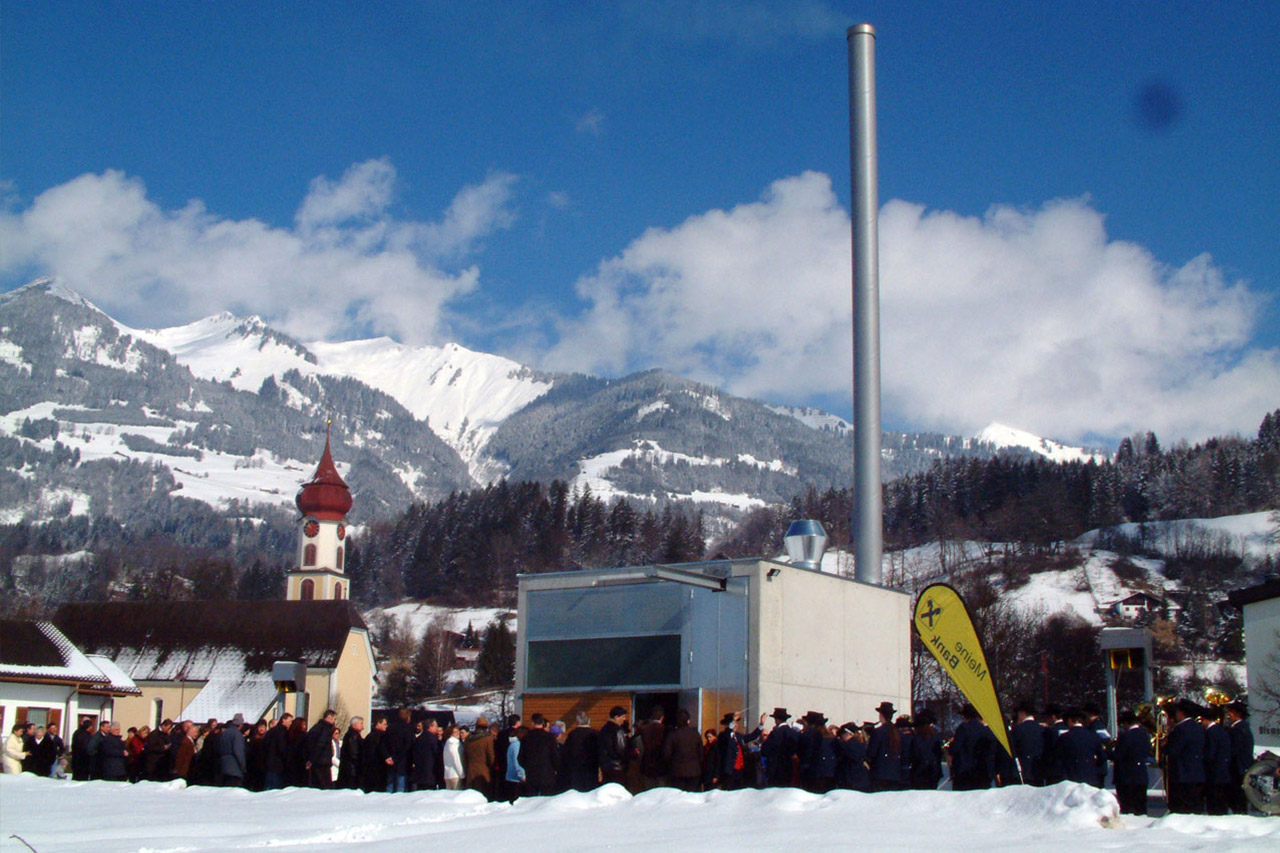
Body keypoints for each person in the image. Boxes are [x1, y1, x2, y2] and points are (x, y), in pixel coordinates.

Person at [1164, 698, 1207, 814]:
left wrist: (1164, 745)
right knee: (1195, 808)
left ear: (1181, 713)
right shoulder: (1198, 728)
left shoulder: (1180, 729)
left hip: (1181, 775)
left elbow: (1173, 751)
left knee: (1181, 809)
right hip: (1197, 774)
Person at [1111, 709, 1151, 816]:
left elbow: (1118, 756)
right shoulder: (1145, 735)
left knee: (1128, 807)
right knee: (1141, 806)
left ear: (1126, 723)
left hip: (1126, 777)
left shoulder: (1125, 737)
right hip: (1141, 775)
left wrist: (1109, 750)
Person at [949, 703, 997, 791]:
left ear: (965, 716)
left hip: (964, 772)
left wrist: (951, 745)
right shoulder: (985, 729)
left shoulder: (963, 728)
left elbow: (954, 749)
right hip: (981, 771)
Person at [1057, 709, 1105, 785]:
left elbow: (1058, 758)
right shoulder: (1093, 736)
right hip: (1090, 776)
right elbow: (1102, 757)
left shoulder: (1064, 738)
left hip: (1071, 778)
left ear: (1070, 720)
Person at [518, 713, 561, 796]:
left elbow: (520, 758)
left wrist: (527, 767)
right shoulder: (550, 737)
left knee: (531, 802)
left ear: (532, 723)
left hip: (531, 775)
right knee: (546, 803)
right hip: (547, 775)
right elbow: (555, 756)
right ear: (543, 723)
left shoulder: (526, 738)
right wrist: (555, 768)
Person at [662, 709, 703, 792]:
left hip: (677, 771)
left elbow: (666, 754)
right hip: (694, 771)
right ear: (688, 721)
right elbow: (701, 753)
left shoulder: (672, 735)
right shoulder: (695, 734)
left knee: (678, 798)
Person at [867, 702, 906, 791]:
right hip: (895, 773)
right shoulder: (898, 733)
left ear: (881, 715)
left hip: (880, 774)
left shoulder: (878, 732)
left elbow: (871, 752)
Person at [1202, 705, 1233, 815]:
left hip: (1214, 773)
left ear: (1206, 720)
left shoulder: (1211, 733)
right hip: (1223, 772)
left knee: (1214, 802)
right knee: (1221, 801)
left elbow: (1210, 753)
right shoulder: (1222, 731)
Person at [1225, 700, 1254, 814]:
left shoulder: (1238, 730)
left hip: (1237, 768)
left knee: (1237, 799)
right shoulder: (1243, 728)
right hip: (1241, 767)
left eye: (1230, 713)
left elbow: (1234, 750)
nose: (1229, 715)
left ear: (1236, 714)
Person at [759, 708, 798, 788]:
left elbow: (765, 750)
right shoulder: (793, 733)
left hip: (775, 769)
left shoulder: (776, 733)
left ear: (776, 719)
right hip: (789, 767)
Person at [562, 712, 600, 792]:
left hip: (576, 770)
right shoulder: (595, 734)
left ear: (577, 722)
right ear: (589, 721)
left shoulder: (572, 734)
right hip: (591, 768)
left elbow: (566, 753)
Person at [1010, 703, 1044, 786]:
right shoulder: (1043, 729)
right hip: (1040, 770)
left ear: (1022, 714)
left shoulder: (1017, 730)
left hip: (1023, 771)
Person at [908, 709, 943, 790]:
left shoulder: (917, 739)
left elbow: (915, 755)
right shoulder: (936, 737)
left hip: (920, 773)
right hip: (933, 772)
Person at [463, 716, 497, 799]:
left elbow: (464, 756)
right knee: (483, 796)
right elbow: (491, 756)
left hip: (470, 771)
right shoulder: (488, 739)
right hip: (483, 772)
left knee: (471, 796)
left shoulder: (468, 738)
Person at [636, 706, 668, 791]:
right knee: (661, 791)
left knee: (648, 791)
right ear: (662, 718)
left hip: (647, 764)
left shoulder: (644, 729)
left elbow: (640, 746)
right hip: (661, 765)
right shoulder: (666, 730)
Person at [305, 709, 338, 789]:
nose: (335, 721)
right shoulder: (325, 729)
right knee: (325, 787)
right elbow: (320, 745)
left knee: (316, 785)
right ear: (329, 717)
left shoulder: (316, 727)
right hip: (322, 762)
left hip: (317, 761)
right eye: (334, 719)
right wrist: (312, 760)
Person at [598, 706, 630, 786]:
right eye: (623, 717)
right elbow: (621, 749)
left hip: (605, 767)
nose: (624, 719)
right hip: (617, 767)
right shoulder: (618, 730)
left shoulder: (603, 729)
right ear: (616, 717)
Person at [835, 722, 871, 791]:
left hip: (849, 778)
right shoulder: (861, 744)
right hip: (862, 778)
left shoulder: (845, 746)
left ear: (847, 734)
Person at [385, 709, 414, 793]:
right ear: (408, 718)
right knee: (400, 788)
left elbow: (384, 744)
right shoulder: (408, 729)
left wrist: (388, 757)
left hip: (390, 762)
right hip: (403, 763)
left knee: (389, 787)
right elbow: (407, 746)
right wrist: (396, 758)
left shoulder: (390, 728)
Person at [410, 718, 444, 791]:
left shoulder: (418, 739)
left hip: (419, 774)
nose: (437, 728)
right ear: (430, 726)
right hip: (430, 774)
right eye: (436, 726)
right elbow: (437, 755)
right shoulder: (433, 740)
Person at [262, 714, 293, 790]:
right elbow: (282, 748)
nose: (291, 723)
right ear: (283, 720)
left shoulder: (271, 731)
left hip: (268, 763)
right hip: (278, 764)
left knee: (268, 785)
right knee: (275, 788)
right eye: (290, 721)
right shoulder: (282, 732)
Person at [361, 716, 391, 794]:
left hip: (369, 770)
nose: (386, 726)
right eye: (384, 724)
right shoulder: (379, 737)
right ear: (378, 724)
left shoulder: (369, 736)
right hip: (377, 770)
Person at [219, 714, 248, 787]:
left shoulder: (225, 733)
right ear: (240, 724)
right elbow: (239, 752)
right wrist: (243, 767)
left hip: (223, 766)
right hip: (234, 768)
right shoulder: (237, 734)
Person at [338, 717, 364, 790]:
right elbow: (353, 753)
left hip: (351, 769)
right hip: (351, 770)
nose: (363, 725)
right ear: (355, 725)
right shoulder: (353, 736)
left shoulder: (354, 735)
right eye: (361, 723)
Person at [504, 726, 528, 802]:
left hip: (512, 777)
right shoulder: (517, 745)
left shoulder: (513, 744)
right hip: (515, 779)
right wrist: (522, 775)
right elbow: (517, 762)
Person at [442, 724, 465, 790]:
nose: (458, 733)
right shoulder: (454, 743)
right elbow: (456, 759)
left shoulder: (447, 743)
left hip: (447, 774)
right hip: (456, 774)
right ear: (450, 734)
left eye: (458, 731)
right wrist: (462, 774)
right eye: (455, 732)